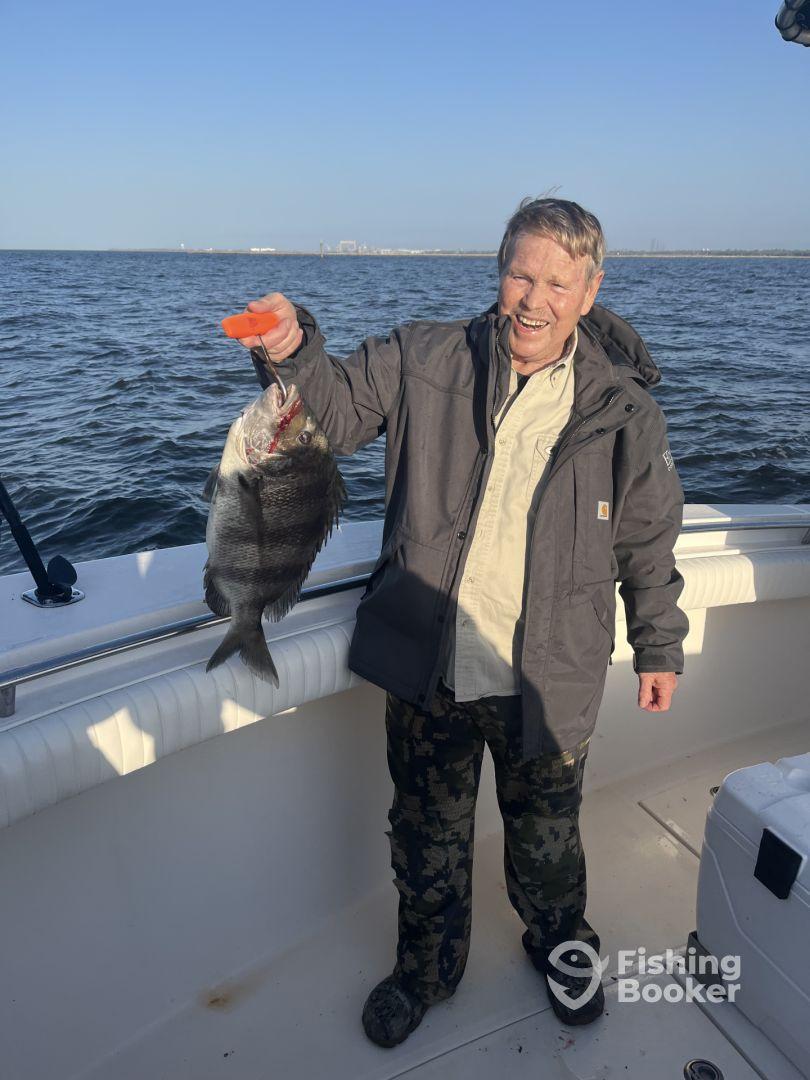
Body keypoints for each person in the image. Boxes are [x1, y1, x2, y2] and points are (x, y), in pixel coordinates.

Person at [237, 198, 689, 1048]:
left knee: (548, 849)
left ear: (589, 292)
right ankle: (425, 971)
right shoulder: (424, 356)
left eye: (558, 281)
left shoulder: (625, 408)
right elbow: (333, 412)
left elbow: (646, 537)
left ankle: (562, 949)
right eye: (521, 272)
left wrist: (658, 643)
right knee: (425, 841)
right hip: (429, 665)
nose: (533, 298)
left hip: (548, 679)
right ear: (498, 268)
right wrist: (294, 350)